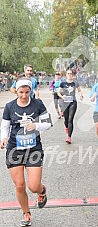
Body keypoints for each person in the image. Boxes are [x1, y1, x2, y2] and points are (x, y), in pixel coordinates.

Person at [0, 78, 52, 226]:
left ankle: (42, 191)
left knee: (34, 186)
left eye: (27, 92)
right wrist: (3, 138)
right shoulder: (10, 106)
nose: (23, 96)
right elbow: (4, 126)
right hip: (14, 149)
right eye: (20, 92)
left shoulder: (38, 104)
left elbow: (48, 123)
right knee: (19, 185)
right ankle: (26, 212)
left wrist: (35, 125)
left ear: (31, 91)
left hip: (33, 149)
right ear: (16, 91)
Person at [57, 69, 83, 144]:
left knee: (70, 119)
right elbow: (58, 92)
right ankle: (67, 127)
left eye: (71, 73)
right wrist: (62, 97)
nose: (69, 75)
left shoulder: (75, 83)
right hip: (65, 103)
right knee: (66, 120)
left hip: (73, 103)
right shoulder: (63, 83)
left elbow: (79, 90)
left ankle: (69, 137)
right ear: (66, 75)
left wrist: (81, 95)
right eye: (68, 73)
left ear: (73, 75)